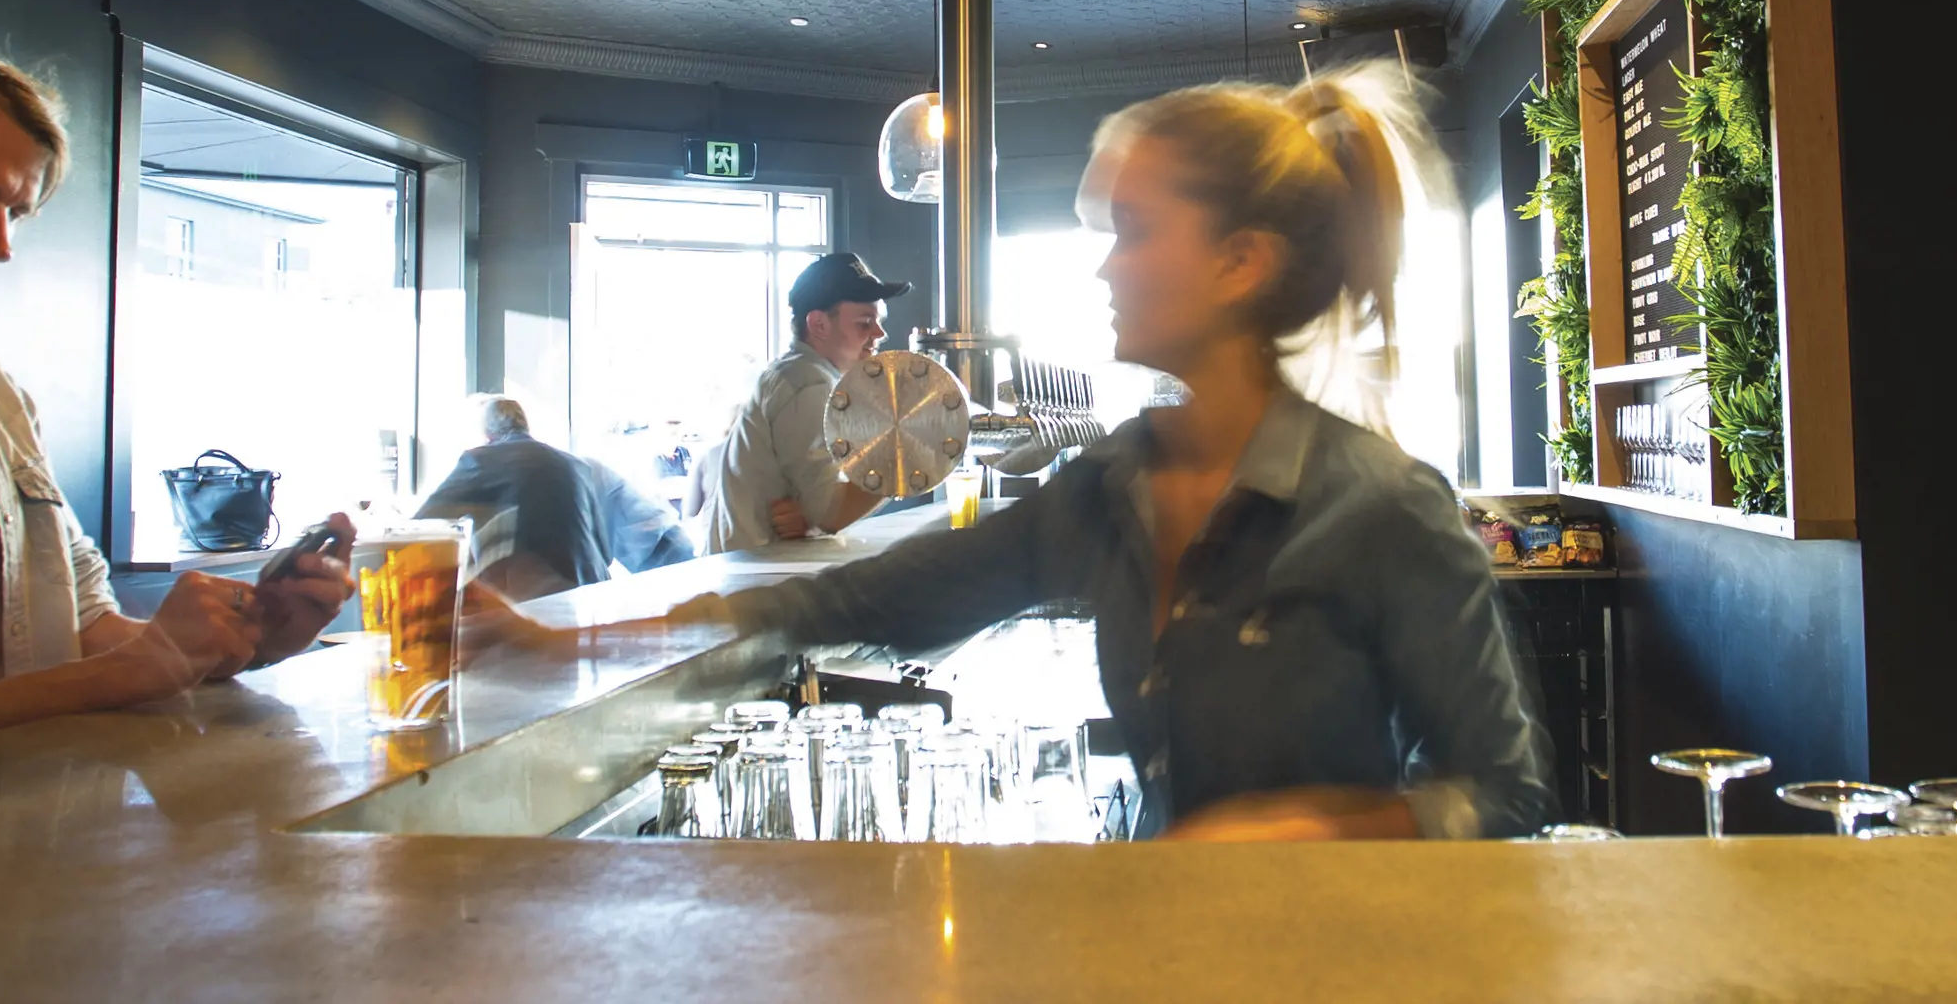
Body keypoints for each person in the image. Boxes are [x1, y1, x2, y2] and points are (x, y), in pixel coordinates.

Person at [489, 69, 1554, 841]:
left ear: (1238, 261)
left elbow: (1504, 789)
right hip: (1165, 939)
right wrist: (570, 636)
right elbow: (851, 600)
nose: (1103, 266)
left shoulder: (1379, 506)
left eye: (1133, 229)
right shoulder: (1111, 487)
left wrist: (1315, 828)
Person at [0, 28, 353, 747]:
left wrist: (249, 637)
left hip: (3, 842)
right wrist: (120, 674)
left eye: (13, 212)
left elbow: (89, 628)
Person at [697, 251, 908, 552]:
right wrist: (906, 461)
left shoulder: (803, 375)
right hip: (759, 580)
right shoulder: (807, 384)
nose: (880, 333)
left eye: (878, 321)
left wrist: (810, 520)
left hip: (760, 570)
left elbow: (816, 514)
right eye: (865, 323)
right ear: (819, 325)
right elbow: (828, 510)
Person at [411, 398, 695, 599]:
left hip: (536, 607)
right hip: (593, 596)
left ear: (487, 435)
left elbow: (424, 524)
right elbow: (602, 549)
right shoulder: (575, 464)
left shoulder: (480, 460)